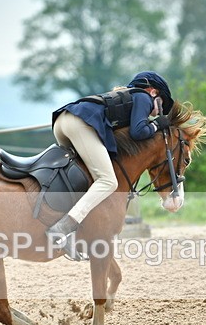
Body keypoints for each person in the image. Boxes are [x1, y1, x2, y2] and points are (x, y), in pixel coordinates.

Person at [47, 70, 174, 260]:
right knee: (108, 181)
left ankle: (71, 230)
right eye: (162, 104)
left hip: (62, 122)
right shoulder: (144, 97)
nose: (158, 112)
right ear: (154, 91)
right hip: (78, 123)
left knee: (85, 178)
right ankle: (63, 228)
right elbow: (138, 132)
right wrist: (158, 125)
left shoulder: (129, 97)